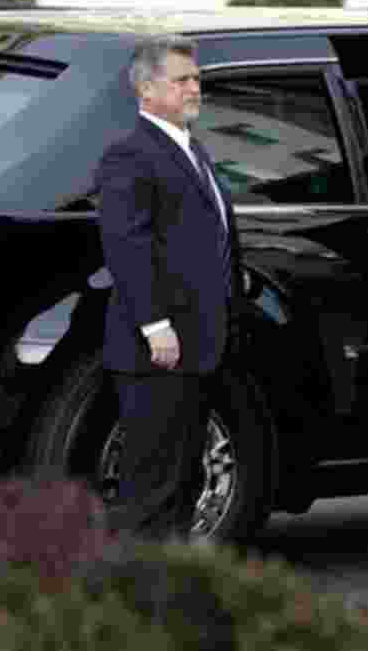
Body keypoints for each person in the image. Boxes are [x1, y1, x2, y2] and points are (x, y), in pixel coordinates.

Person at [97, 35, 240, 539]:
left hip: (200, 344)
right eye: (181, 80)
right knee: (150, 485)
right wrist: (154, 324)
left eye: (195, 78)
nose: (193, 88)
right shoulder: (130, 154)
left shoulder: (192, 148)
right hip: (157, 347)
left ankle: (168, 595)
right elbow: (126, 245)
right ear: (145, 89)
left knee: (183, 480)